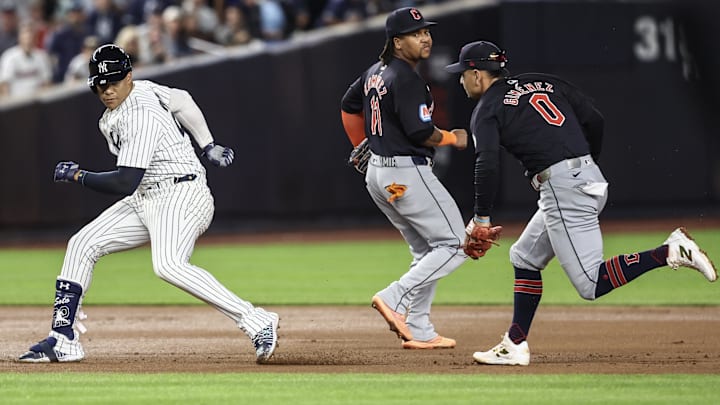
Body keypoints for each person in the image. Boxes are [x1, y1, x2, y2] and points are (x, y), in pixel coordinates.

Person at [443, 40, 718, 366]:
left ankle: (668, 251)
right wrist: (583, 163)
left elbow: (486, 163)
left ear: (477, 74)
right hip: (583, 177)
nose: (461, 80)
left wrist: (482, 218)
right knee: (525, 257)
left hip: (563, 188)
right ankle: (514, 343)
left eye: (463, 73)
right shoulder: (544, 81)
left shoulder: (487, 108)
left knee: (590, 284)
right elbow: (595, 120)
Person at [18, 44, 279, 364]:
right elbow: (182, 100)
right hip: (146, 196)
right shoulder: (144, 89)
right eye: (101, 84)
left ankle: (256, 320)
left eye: (114, 81)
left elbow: (124, 181)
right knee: (81, 244)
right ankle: (63, 339)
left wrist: (78, 176)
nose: (107, 90)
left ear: (129, 76)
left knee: (168, 265)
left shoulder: (139, 116)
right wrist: (207, 144)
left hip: (181, 194)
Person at [340, 7, 469, 350]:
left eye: (426, 31)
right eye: (415, 34)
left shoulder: (374, 72)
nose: (425, 37)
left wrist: (361, 144)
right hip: (405, 171)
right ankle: (394, 297)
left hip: (378, 174)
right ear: (397, 42)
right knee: (456, 244)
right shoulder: (406, 77)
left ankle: (420, 326)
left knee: (426, 249)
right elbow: (421, 131)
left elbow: (348, 104)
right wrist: (453, 138)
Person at [0, 21, 52, 97]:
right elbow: (4, 85)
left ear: (35, 37)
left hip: (37, 102)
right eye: (25, 34)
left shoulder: (42, 56)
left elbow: (47, 82)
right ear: (19, 37)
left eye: (31, 34)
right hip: (16, 102)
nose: (28, 37)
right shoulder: (9, 57)